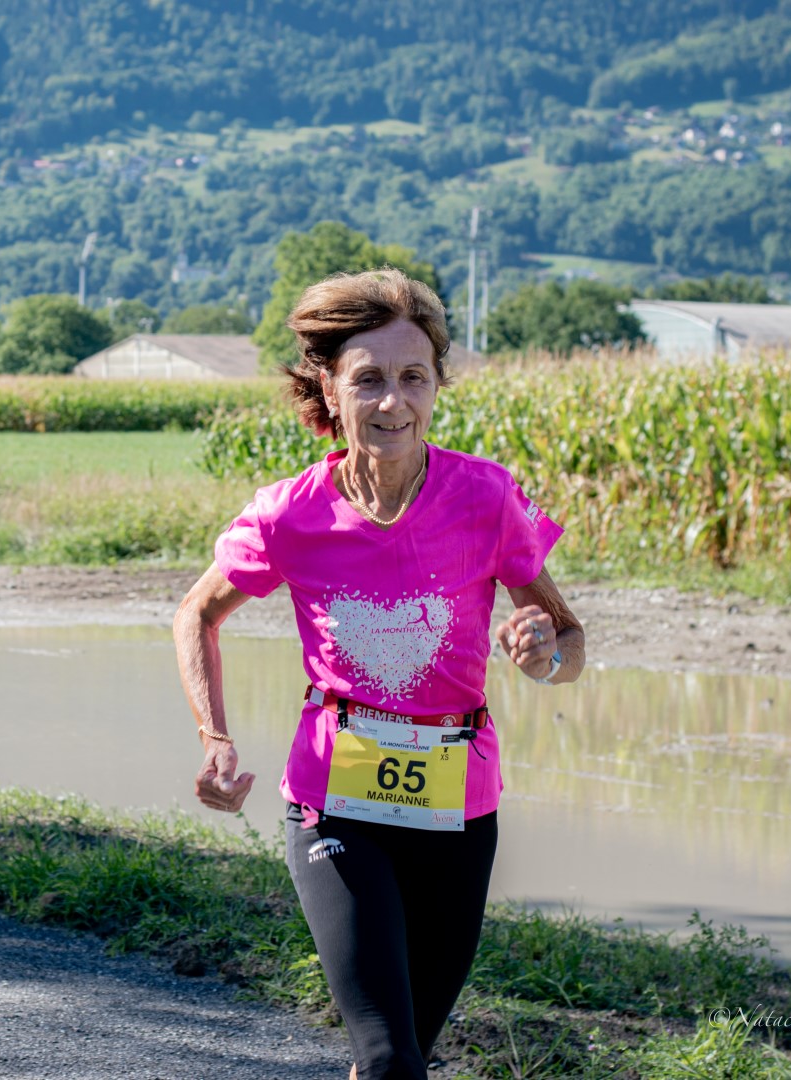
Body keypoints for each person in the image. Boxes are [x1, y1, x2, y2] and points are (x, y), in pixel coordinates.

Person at [172, 269, 585, 1080]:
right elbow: (197, 614)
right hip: (334, 803)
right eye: (368, 380)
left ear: (436, 387)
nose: (393, 401)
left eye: (413, 377)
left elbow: (568, 641)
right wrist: (214, 737)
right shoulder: (290, 513)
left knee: (404, 1057)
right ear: (329, 388)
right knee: (391, 1057)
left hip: (458, 807)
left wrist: (547, 657)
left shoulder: (487, 498)